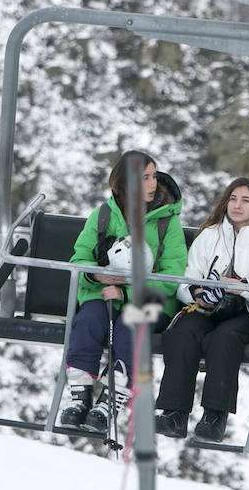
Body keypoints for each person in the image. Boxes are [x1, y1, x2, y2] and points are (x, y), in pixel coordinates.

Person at [60, 150, 187, 433]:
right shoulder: (104, 215)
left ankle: (112, 397)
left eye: (154, 176)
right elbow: (79, 257)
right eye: (145, 178)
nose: (153, 184)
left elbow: (171, 277)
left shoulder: (167, 222)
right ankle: (79, 396)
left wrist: (128, 294)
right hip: (103, 293)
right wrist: (96, 273)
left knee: (130, 323)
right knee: (88, 319)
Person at [154, 178, 249, 441]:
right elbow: (188, 276)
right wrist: (196, 293)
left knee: (223, 339)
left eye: (246, 200)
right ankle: (174, 413)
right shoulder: (210, 235)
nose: (237, 206)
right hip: (209, 308)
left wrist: (245, 289)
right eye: (233, 199)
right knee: (182, 332)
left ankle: (214, 416)